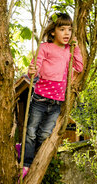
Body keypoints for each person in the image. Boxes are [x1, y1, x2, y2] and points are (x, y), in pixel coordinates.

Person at [20, 12, 83, 179]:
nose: (67, 33)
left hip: (57, 102)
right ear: (53, 31)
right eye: (62, 29)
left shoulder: (70, 50)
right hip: (40, 98)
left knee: (44, 134)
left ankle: (35, 161)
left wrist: (76, 47)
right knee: (31, 132)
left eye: (70, 30)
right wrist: (32, 70)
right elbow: (36, 65)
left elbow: (80, 67)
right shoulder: (45, 47)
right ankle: (26, 164)